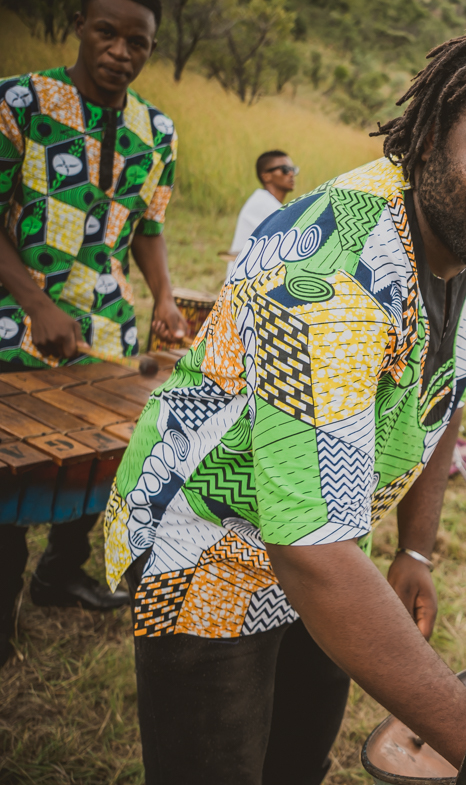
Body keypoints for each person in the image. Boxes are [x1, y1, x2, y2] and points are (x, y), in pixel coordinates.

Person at [103, 29, 466, 785]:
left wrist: (415, 549)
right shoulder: (334, 277)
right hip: (209, 550)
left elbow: (443, 394)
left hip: (325, 546)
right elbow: (310, 549)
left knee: (295, 769)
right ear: (431, 136)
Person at [0, 0, 187, 666]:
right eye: (107, 32)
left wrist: (164, 297)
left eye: (138, 42)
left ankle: (59, 574)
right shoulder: (20, 102)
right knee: (10, 471)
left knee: (101, 463)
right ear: (80, 24)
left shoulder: (156, 130)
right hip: (13, 323)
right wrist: (36, 305)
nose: (120, 51)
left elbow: (148, 227)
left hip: (106, 329)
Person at [226, 150, 297, 260]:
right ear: (266, 176)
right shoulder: (264, 205)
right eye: (285, 169)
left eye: (293, 169)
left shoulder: (265, 201)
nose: (291, 174)